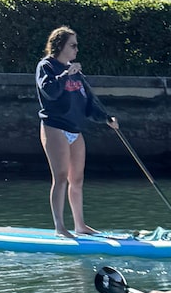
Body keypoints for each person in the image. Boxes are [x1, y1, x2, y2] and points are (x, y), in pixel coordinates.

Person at [35, 26, 119, 238]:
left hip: (75, 129)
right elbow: (50, 92)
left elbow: (89, 101)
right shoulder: (46, 66)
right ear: (60, 45)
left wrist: (106, 118)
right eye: (72, 45)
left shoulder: (76, 72)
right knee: (61, 177)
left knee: (77, 179)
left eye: (76, 45)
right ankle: (60, 227)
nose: (76, 50)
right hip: (55, 127)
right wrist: (65, 74)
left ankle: (80, 225)